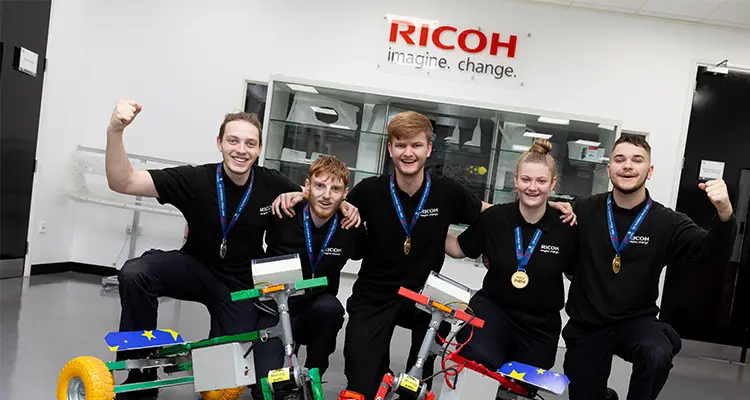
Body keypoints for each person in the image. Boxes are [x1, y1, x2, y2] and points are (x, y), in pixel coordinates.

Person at [104, 100, 358, 399]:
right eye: (233, 141)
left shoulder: (272, 183)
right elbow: (124, 181)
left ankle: (217, 354)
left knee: (223, 379)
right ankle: (141, 373)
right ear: (219, 143)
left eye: (250, 143)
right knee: (136, 273)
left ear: (259, 148)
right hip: (194, 266)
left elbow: (318, 194)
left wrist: (345, 205)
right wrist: (115, 130)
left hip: (240, 284)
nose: (241, 149)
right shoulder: (196, 179)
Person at [562, 135, 737, 400]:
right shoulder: (584, 210)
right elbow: (550, 239)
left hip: (635, 323)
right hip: (587, 324)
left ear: (650, 170)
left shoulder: (666, 222)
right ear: (609, 169)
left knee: (656, 352)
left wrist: (725, 213)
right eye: (619, 159)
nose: (627, 166)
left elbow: (712, 252)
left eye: (637, 159)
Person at [444, 139, 578, 372]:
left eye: (541, 181)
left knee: (520, 385)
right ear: (515, 180)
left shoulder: (566, 226)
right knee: (478, 363)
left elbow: (575, 272)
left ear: (552, 184)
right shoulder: (495, 218)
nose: (532, 187)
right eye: (525, 179)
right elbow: (458, 248)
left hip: (540, 323)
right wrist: (431, 227)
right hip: (493, 310)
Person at [254, 155, 364, 382]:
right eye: (320, 186)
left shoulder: (349, 226)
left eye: (335, 189)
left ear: (345, 194)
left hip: (314, 311)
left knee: (331, 310)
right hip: (275, 307)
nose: (326, 195)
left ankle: (313, 379)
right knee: (267, 386)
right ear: (307, 187)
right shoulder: (283, 211)